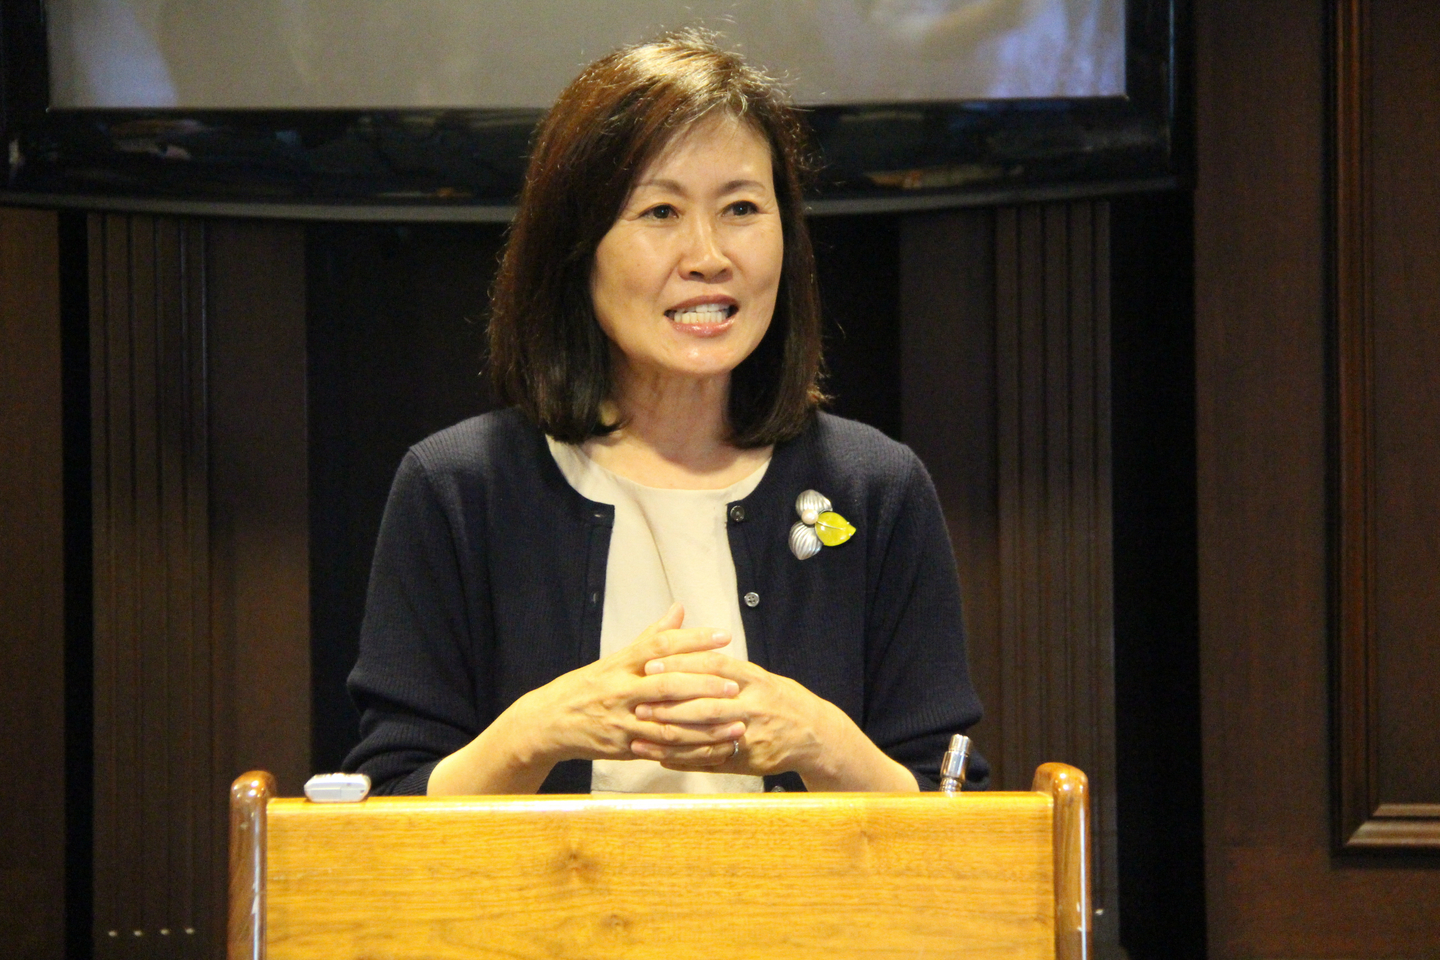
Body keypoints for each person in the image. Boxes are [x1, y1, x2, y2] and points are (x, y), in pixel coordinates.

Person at [344, 30, 986, 796]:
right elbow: (385, 812)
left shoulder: (874, 486)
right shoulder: (457, 487)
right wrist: (534, 733)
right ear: (575, 251)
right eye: (660, 212)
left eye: (742, 207)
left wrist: (823, 744)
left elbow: (956, 813)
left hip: (803, 920)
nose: (709, 254)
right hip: (544, 919)